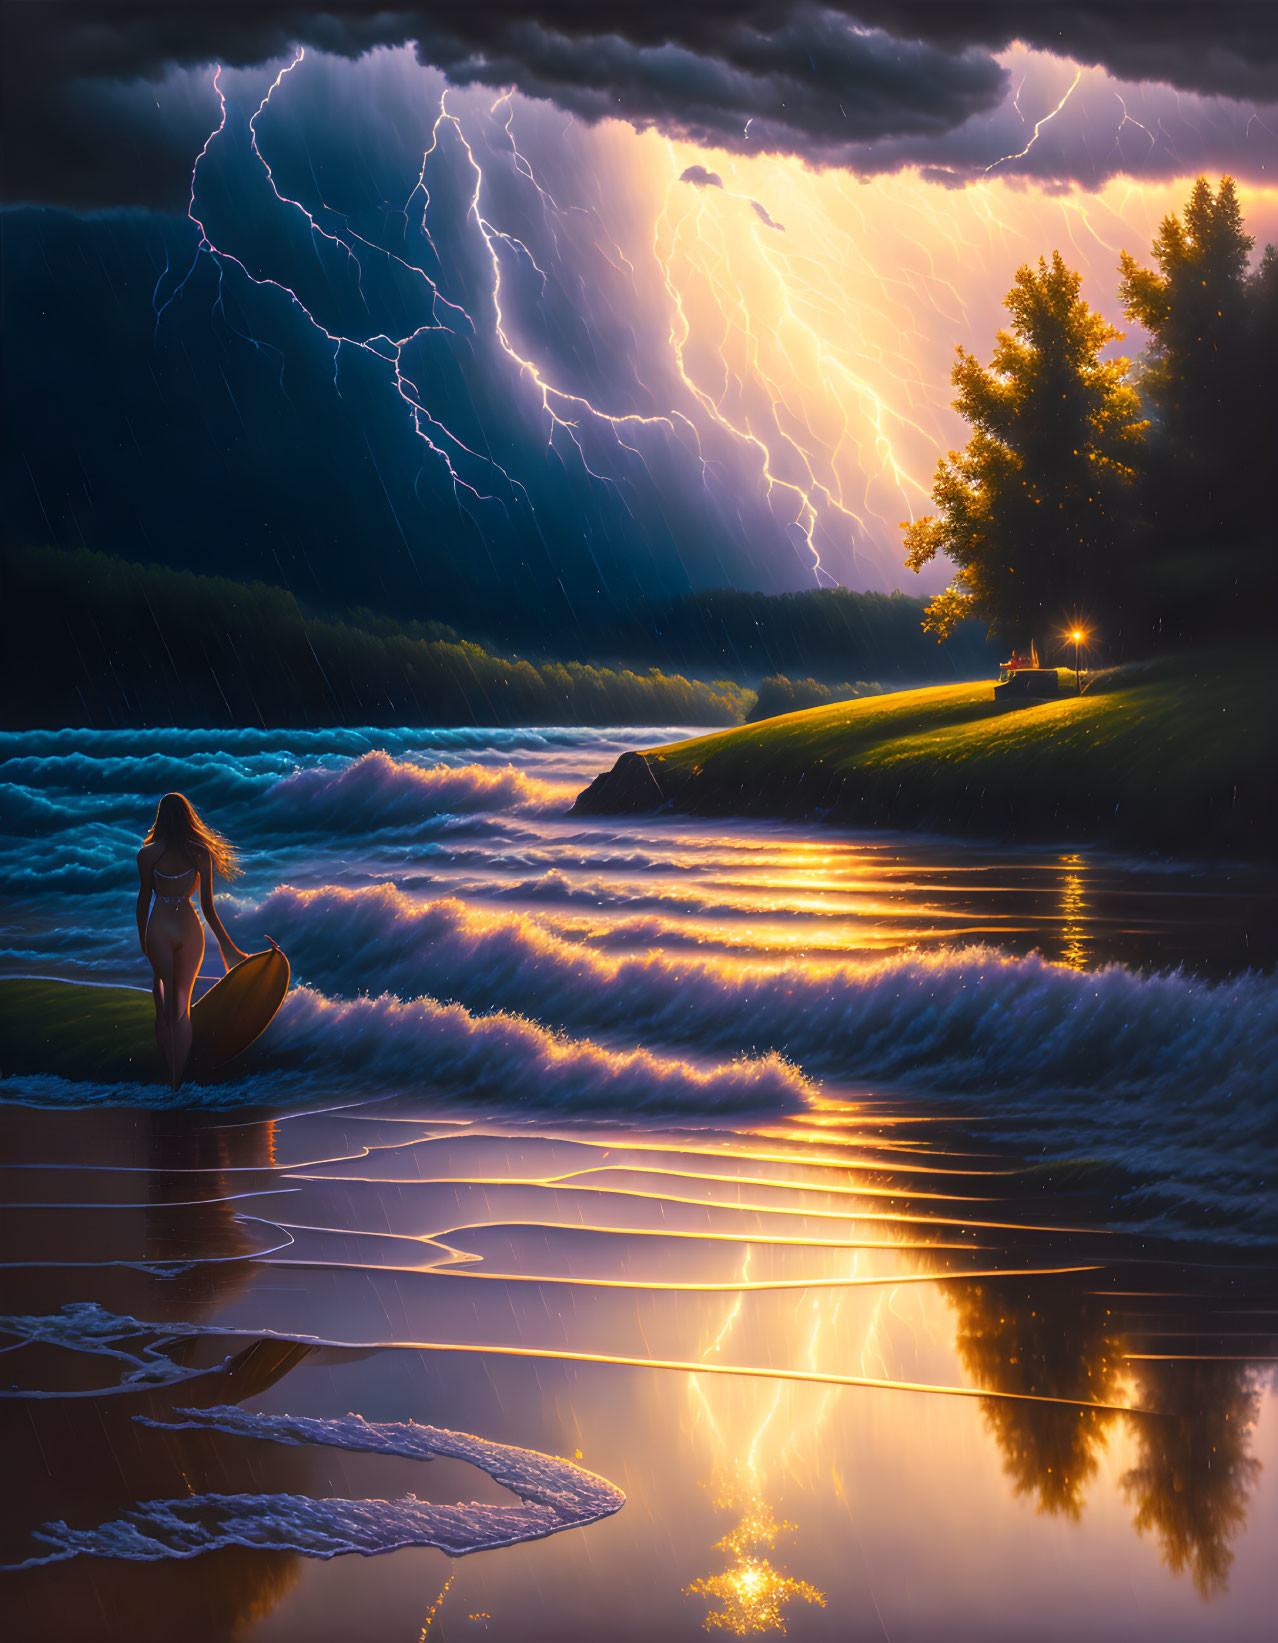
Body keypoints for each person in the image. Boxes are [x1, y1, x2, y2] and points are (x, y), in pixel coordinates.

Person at [136, 792, 247, 1087]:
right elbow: (208, 908)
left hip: (158, 927)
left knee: (162, 1001)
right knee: (181, 1006)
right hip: (188, 927)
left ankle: (170, 1073)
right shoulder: (200, 853)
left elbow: (144, 899)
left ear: (160, 817)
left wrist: (142, 940)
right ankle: (179, 1080)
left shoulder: (147, 854)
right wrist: (228, 947)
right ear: (189, 817)